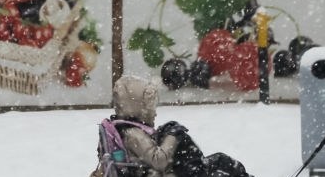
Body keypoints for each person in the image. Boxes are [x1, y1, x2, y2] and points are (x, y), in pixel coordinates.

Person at [92, 75, 252, 177]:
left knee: (221, 160)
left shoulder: (127, 129)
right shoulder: (133, 133)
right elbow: (158, 160)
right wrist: (173, 136)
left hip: (170, 169)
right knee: (220, 169)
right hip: (168, 172)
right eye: (149, 108)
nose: (154, 113)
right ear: (137, 107)